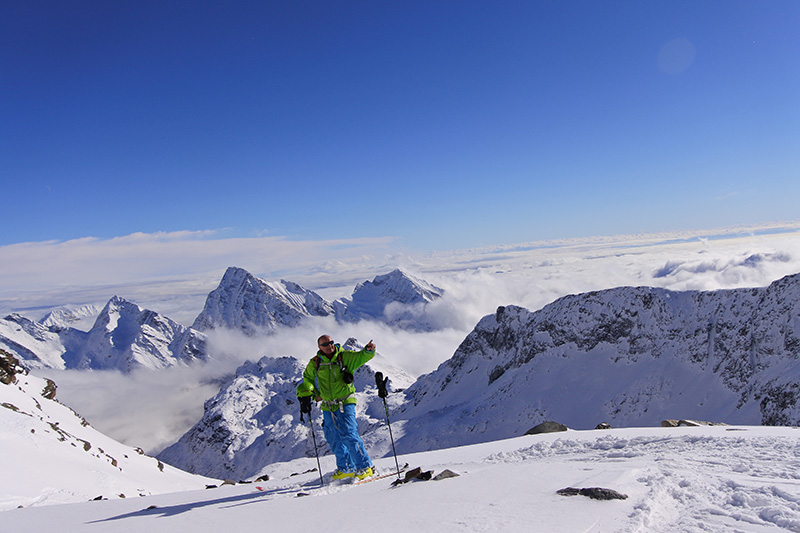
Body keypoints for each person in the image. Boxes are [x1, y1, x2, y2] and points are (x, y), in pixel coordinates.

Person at [297, 335, 376, 480]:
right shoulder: (315, 362)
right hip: (327, 406)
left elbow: (360, 357)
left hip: (345, 402)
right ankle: (346, 468)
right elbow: (307, 378)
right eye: (325, 344)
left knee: (349, 434)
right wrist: (314, 394)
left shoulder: (344, 357)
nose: (330, 346)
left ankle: (365, 467)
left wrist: (368, 350)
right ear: (319, 347)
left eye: (331, 342)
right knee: (333, 437)